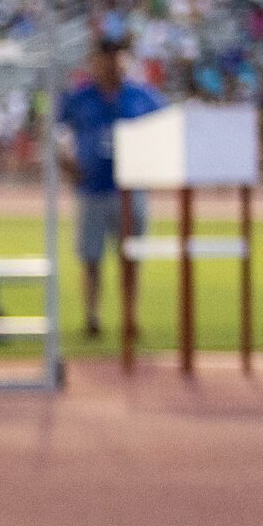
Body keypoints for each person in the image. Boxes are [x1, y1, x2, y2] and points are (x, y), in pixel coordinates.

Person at [57, 38, 164, 339]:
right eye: (103, 58)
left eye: (115, 57)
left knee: (130, 257)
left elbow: (165, 133)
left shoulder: (142, 96)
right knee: (91, 257)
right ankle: (92, 318)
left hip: (131, 190)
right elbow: (55, 134)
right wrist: (67, 164)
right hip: (92, 188)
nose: (110, 64)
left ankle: (130, 317)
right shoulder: (79, 98)